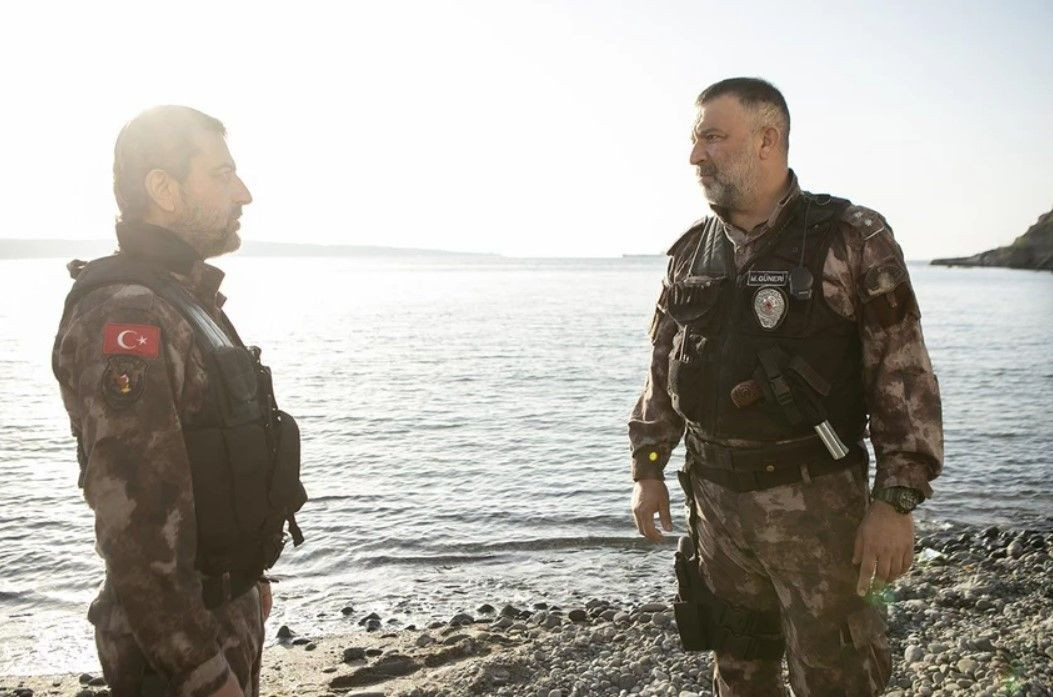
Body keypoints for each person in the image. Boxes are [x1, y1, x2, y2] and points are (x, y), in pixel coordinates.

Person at [628, 78, 943, 696]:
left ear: (767, 140)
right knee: (739, 667)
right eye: (695, 141)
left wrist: (895, 503)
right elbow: (662, 370)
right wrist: (649, 468)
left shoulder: (850, 238)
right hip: (715, 508)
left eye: (712, 138)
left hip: (818, 510)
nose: (695, 156)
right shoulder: (691, 252)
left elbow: (902, 374)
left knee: (836, 675)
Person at [53, 106, 307, 697]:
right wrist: (201, 674)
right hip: (173, 656)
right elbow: (136, 527)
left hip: (217, 616)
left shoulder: (182, 299)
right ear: (163, 189)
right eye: (221, 174)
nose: (242, 193)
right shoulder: (129, 313)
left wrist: (247, 581)